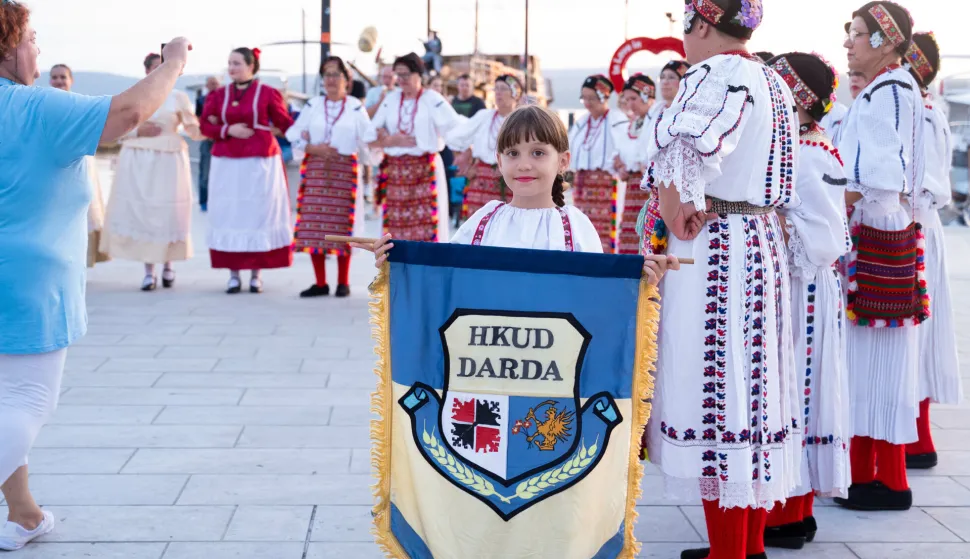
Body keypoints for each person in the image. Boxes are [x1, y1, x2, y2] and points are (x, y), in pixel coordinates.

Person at [0, 2, 191, 547]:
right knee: (29, 401)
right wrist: (173, 62)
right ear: (9, 47)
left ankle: (23, 514)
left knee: (4, 399)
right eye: (32, 37)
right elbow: (128, 114)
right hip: (25, 283)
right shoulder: (33, 108)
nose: (38, 47)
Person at [645, 1, 801, 558]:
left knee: (719, 387)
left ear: (703, 25)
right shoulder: (773, 80)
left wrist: (672, 208)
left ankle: (729, 551)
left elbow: (679, 147)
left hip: (720, 245)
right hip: (761, 241)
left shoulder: (715, 72)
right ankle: (746, 545)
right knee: (755, 392)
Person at [357, 105, 680, 285]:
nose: (524, 165)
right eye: (512, 153)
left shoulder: (575, 225)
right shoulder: (484, 220)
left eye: (538, 152)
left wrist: (642, 280)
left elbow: (599, 292)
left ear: (563, 161)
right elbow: (445, 275)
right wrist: (398, 259)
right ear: (499, 162)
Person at [832, 1, 925, 512]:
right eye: (849, 32)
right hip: (875, 224)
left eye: (860, 33)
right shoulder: (882, 91)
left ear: (887, 42)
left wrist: (828, 204)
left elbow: (880, 177)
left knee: (882, 355)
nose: (850, 41)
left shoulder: (891, 90)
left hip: (879, 226)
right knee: (870, 356)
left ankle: (890, 480)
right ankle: (870, 473)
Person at [763, 52, 851, 549]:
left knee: (795, 390)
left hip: (804, 285)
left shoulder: (808, 152)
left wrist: (772, 222)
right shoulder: (804, 144)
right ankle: (791, 510)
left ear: (796, 97)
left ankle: (788, 512)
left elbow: (827, 235)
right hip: (803, 284)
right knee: (798, 391)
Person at [903, 32, 961, 470]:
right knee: (918, 336)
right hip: (921, 224)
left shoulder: (918, 110)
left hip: (915, 225)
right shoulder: (924, 106)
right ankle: (917, 438)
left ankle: (915, 438)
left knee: (913, 338)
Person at [99, 53, 202, 291]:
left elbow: (194, 129)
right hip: (138, 159)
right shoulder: (136, 96)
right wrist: (138, 132)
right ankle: (148, 271)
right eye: (157, 69)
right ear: (147, 72)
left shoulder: (179, 97)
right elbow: (116, 129)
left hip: (169, 159)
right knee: (142, 212)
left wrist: (210, 125)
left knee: (168, 212)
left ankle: (168, 265)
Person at [200, 47, 296, 294]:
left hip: (259, 163)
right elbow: (204, 125)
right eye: (229, 63)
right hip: (227, 163)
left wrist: (312, 130)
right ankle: (233, 274)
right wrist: (227, 130)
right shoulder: (219, 95)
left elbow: (286, 124)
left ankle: (256, 274)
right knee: (230, 214)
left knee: (257, 213)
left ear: (251, 66)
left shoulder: (267, 93)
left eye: (237, 63)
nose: (232, 68)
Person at [286, 56, 378, 298]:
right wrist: (311, 147)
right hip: (316, 168)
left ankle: (343, 282)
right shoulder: (313, 105)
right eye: (327, 74)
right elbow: (293, 133)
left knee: (342, 226)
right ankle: (320, 282)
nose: (331, 79)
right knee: (314, 225)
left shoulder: (355, 107)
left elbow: (368, 138)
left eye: (336, 74)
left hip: (344, 171)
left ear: (346, 79)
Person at [370, 52, 463, 242]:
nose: (401, 79)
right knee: (394, 233)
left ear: (418, 74)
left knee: (428, 228)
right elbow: (371, 133)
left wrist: (465, 152)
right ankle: (397, 270)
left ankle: (428, 270)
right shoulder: (391, 99)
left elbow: (455, 128)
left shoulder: (432, 99)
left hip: (425, 170)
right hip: (395, 172)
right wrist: (390, 141)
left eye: (405, 74)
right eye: (398, 74)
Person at [49, 63, 111, 268]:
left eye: (63, 77)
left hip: (80, 161)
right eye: (55, 77)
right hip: (52, 163)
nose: (59, 81)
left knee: (81, 210)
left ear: (71, 80)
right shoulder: (44, 103)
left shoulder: (79, 104)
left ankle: (79, 261)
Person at [447, 74, 523, 219]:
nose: (498, 93)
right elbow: (454, 137)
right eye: (496, 89)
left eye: (503, 89)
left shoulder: (522, 121)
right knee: (478, 225)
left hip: (509, 182)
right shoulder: (484, 116)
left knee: (506, 226)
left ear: (515, 94)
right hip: (480, 180)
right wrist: (466, 159)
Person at [568, 74, 628, 253]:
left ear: (603, 97)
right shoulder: (581, 122)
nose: (587, 102)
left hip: (606, 184)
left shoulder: (618, 121)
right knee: (582, 226)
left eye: (591, 98)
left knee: (606, 228)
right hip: (582, 184)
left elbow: (625, 149)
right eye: (584, 97)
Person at [612, 73, 655, 255]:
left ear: (647, 96)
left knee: (648, 232)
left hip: (649, 189)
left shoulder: (657, 120)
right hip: (632, 188)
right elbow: (622, 152)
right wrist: (620, 164)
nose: (630, 105)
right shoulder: (634, 124)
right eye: (627, 99)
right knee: (630, 231)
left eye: (634, 98)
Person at [195, 76, 221, 211]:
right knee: (205, 173)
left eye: (215, 83)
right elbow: (197, 120)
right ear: (207, 85)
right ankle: (204, 202)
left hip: (222, 141)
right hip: (207, 140)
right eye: (211, 83)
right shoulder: (201, 100)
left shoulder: (225, 99)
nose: (214, 85)